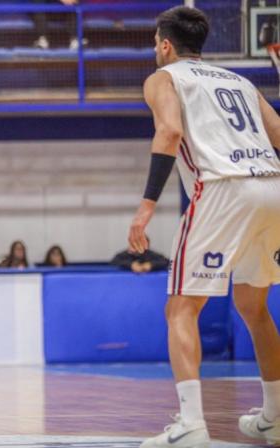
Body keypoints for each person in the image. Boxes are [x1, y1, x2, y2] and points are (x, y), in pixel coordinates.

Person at [127, 6, 280, 447]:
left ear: (165, 44)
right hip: (272, 186)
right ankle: (275, 415)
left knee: (180, 309)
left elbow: (170, 132)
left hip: (222, 189)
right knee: (254, 307)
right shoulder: (240, 81)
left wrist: (146, 206)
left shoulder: (163, 78)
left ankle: (191, 424)